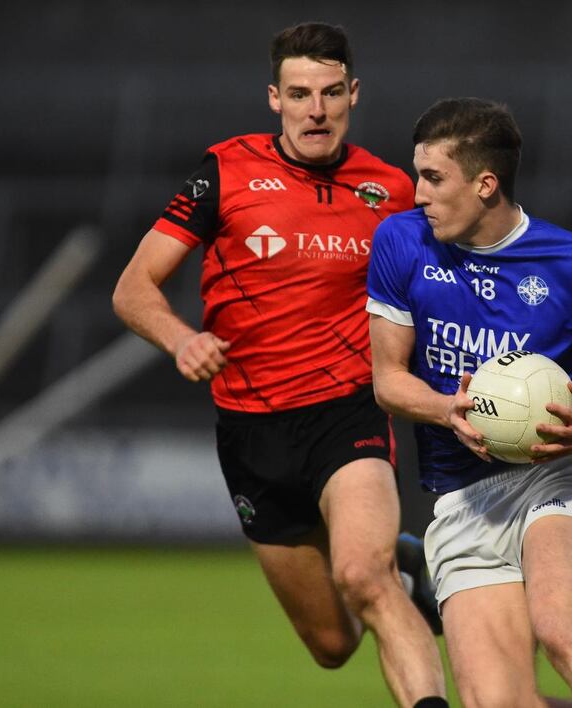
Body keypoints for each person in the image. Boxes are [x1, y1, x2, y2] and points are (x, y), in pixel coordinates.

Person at [112, 22, 449, 708]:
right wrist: (181, 340)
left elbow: (444, 293)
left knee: (363, 577)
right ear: (275, 98)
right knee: (332, 645)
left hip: (348, 413)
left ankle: (395, 583)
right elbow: (132, 289)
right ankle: (412, 569)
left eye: (330, 93)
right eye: (300, 94)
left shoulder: (391, 192)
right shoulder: (223, 171)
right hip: (251, 433)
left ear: (353, 94)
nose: (315, 110)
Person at [367, 97, 572, 708]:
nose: (418, 193)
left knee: (561, 630)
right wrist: (443, 410)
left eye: (433, 178)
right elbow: (387, 380)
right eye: (416, 175)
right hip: (462, 496)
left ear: (486, 184)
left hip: (553, 473)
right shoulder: (401, 242)